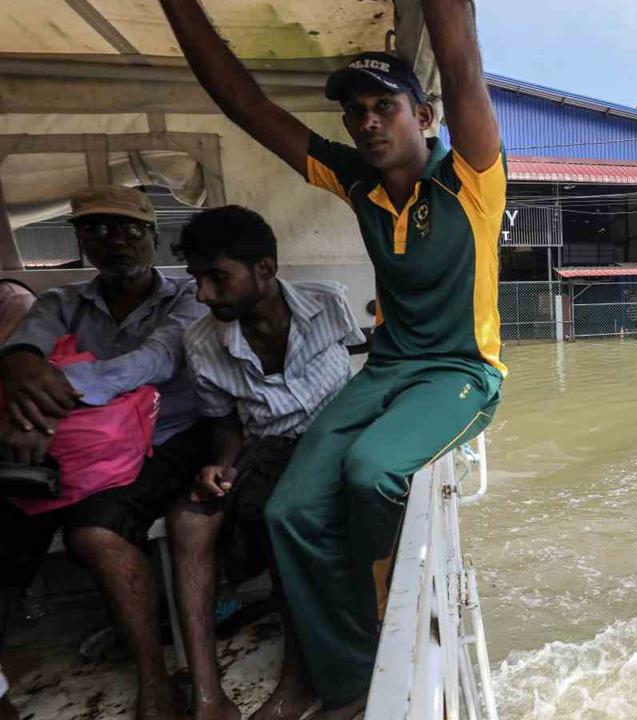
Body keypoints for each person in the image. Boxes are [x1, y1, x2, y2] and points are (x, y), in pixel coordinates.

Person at [160, 1, 506, 716]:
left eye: (386, 107)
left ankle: (381, 623)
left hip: (461, 375)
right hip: (386, 372)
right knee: (287, 509)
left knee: (371, 472)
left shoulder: (472, 176)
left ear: (425, 116)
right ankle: (342, 678)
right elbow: (246, 105)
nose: (369, 122)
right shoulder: (359, 183)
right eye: (356, 113)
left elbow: (462, 61)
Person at [0, 184, 209, 720]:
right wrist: (28, 385)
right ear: (80, 240)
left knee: (96, 533)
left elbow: (156, 361)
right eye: (95, 229)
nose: (112, 240)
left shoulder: (186, 296)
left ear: (153, 236)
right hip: (68, 442)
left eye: (127, 228)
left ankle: (155, 681)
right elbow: (22, 355)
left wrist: (55, 393)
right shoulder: (60, 301)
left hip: (165, 439)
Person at [166, 206, 365, 720]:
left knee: (284, 512)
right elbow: (226, 423)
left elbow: (367, 371)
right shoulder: (203, 342)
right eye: (197, 279)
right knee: (187, 523)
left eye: (217, 277)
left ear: (266, 270)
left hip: (334, 442)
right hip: (264, 449)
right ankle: (208, 697)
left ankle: (298, 680)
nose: (204, 294)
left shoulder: (328, 304)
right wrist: (220, 465)